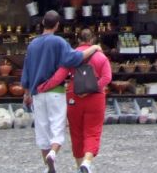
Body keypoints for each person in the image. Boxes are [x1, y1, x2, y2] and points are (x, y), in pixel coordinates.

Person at [22, 11, 100, 173]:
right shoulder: (59, 42)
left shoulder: (32, 44)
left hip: (37, 93)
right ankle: (53, 152)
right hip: (55, 91)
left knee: (42, 130)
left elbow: (27, 71)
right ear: (57, 25)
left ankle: (48, 167)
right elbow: (75, 58)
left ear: (43, 23)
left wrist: (26, 93)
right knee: (57, 127)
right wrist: (93, 48)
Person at [36, 28, 111, 173]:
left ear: (78, 40)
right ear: (92, 40)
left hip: (74, 97)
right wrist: (93, 88)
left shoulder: (71, 57)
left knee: (76, 133)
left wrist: (42, 87)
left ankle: (78, 166)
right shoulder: (101, 57)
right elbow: (107, 77)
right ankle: (87, 163)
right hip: (95, 98)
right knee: (93, 131)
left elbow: (59, 77)